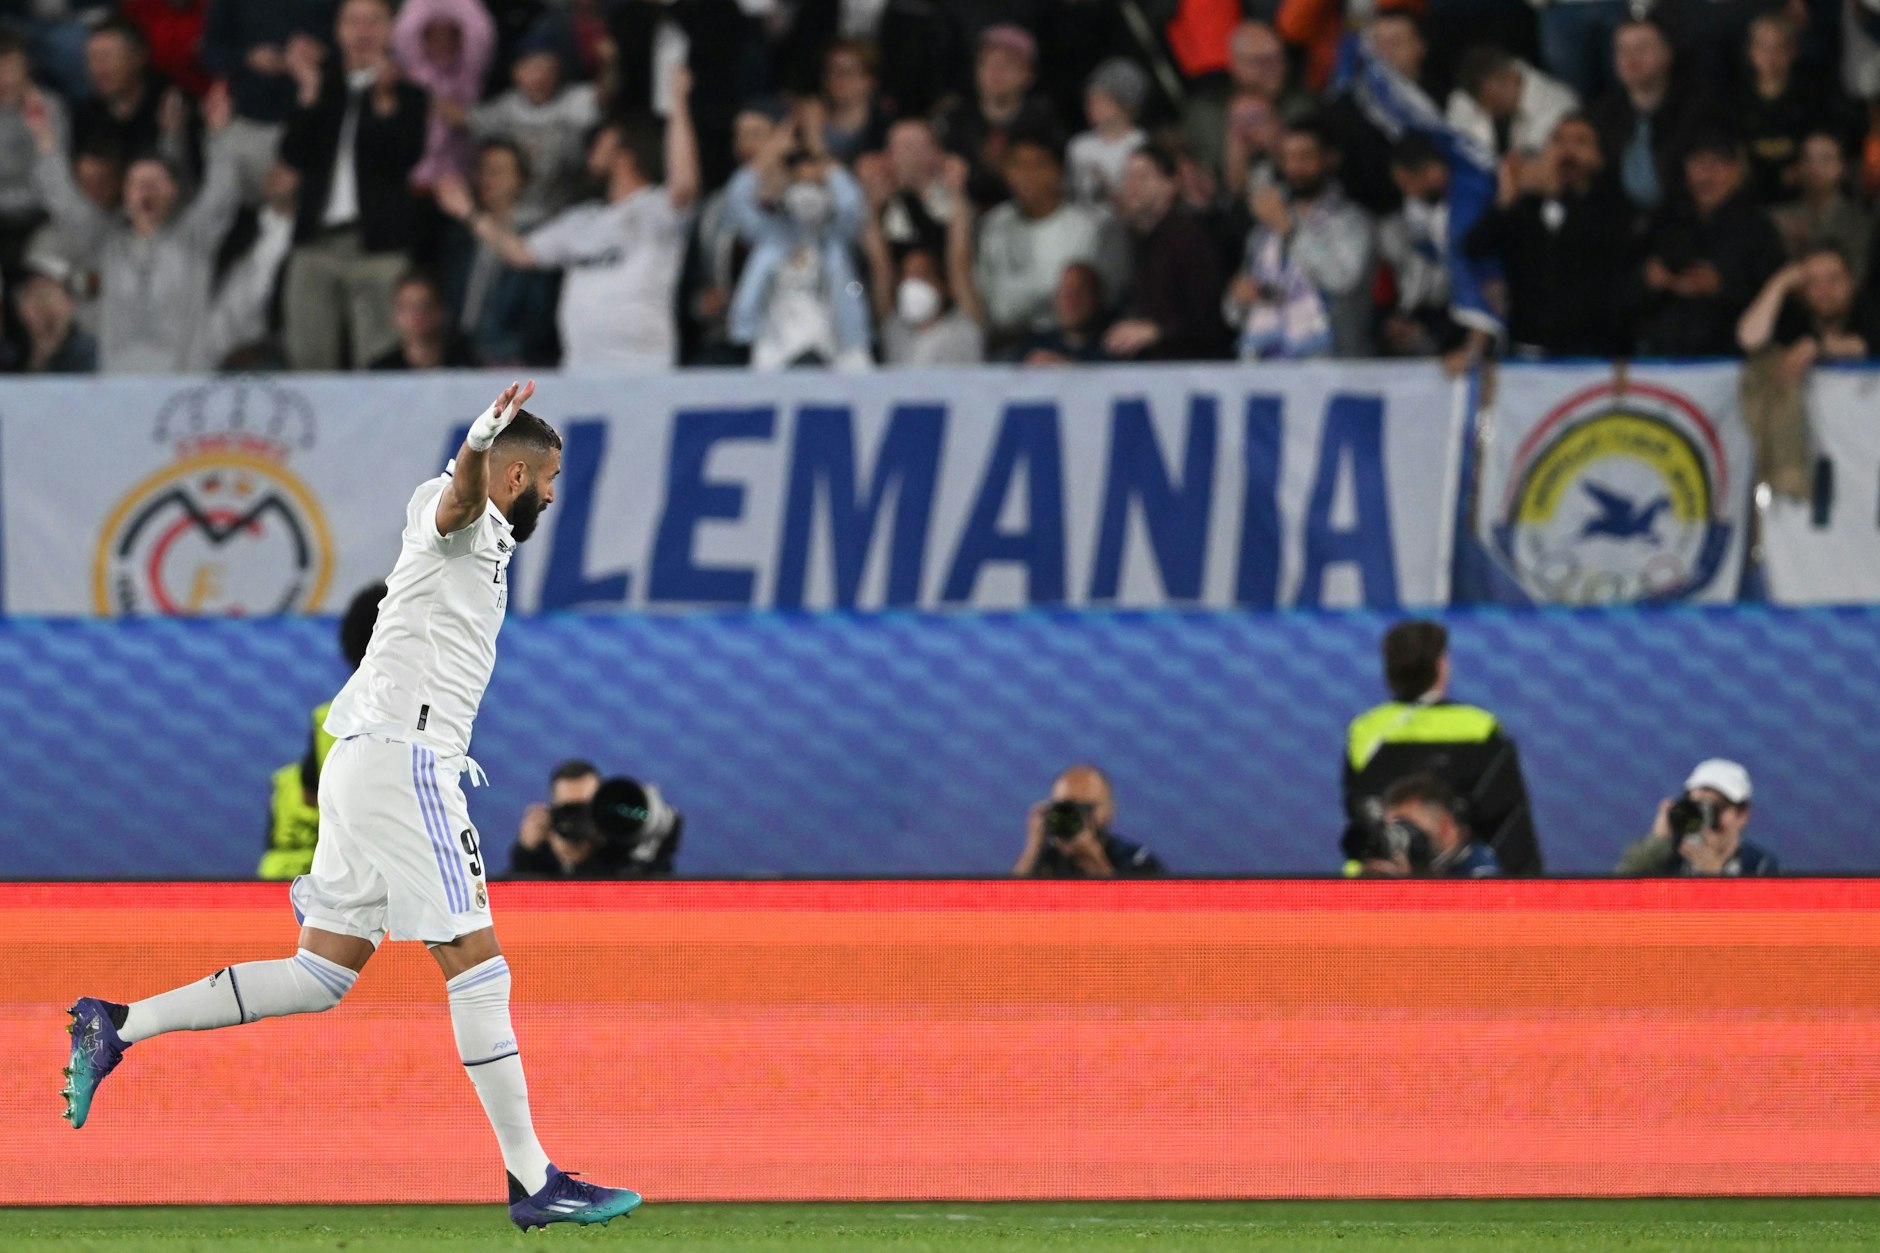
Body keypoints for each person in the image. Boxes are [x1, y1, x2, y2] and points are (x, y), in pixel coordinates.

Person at [62, 380, 646, 1231]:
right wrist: (478, 439)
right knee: (480, 968)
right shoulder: (451, 518)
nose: (555, 494)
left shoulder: (490, 547)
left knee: (319, 974)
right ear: (515, 475)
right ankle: (533, 1178)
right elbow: (454, 500)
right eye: (549, 477)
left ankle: (116, 1022)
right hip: (405, 763)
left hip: (368, 764)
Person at [438, 69, 698, 372]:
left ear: (623, 152)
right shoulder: (581, 220)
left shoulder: (655, 210)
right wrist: (469, 213)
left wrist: (678, 102)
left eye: (600, 140)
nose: (591, 150)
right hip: (580, 373)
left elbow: (684, 186)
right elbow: (521, 253)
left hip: (645, 369)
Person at [27, 82, 240, 373]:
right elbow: (64, 201)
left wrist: (219, 134)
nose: (146, 191)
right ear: (125, 195)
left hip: (184, 381)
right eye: (137, 184)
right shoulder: (107, 244)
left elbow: (222, 193)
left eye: (155, 183)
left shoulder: (195, 238)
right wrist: (44, 139)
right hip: (120, 386)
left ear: (175, 192)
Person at [277, 0, 429, 371]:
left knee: (378, 365)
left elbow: (403, 157)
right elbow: (295, 154)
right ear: (337, 30)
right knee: (308, 363)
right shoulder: (321, 87)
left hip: (379, 248)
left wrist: (383, 100)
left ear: (391, 29)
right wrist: (309, 91)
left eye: (373, 21)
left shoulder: (409, 95)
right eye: (353, 21)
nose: (362, 31)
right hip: (316, 243)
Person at [1342, 620, 1543, 876]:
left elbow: (1357, 811)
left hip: (1373, 885)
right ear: (1440, 666)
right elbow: (1508, 824)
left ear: (1390, 670)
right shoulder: (1479, 725)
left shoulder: (1365, 730)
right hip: (1463, 884)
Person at [1465, 112, 1631, 357]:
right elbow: (1473, 248)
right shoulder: (1523, 207)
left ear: (1600, 157)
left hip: (1589, 353)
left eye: (1580, 142)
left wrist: (1559, 195)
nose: (1567, 150)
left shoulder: (1613, 208)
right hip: (1526, 350)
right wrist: (1505, 201)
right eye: (1558, 140)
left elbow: (1593, 257)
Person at [724, 101, 872, 371]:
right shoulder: (769, 233)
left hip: (838, 347)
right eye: (799, 184)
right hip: (775, 349)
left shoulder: (837, 236)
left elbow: (853, 204)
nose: (807, 193)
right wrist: (776, 146)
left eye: (814, 185)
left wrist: (817, 145)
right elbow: (737, 197)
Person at [259, 581, 386, 882]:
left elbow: (307, 792)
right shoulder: (434, 721)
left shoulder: (328, 720)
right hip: (349, 880)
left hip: (313, 880)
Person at [1226, 116, 1375, 360]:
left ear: (1330, 158)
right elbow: (1233, 311)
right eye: (1287, 158)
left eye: (1305, 157)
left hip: (1333, 366)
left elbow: (1343, 281)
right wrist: (1237, 297)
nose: (1294, 168)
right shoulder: (1265, 229)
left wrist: (1290, 231)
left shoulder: (1352, 221)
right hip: (1269, 369)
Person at [1632, 131, 1786, 358]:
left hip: (1730, 358)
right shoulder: (1665, 222)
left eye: (1717, 164)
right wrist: (1648, 280)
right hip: (1662, 358)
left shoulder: (1758, 229)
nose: (1707, 175)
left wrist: (1721, 287)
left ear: (1736, 172)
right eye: (1698, 164)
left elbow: (1777, 296)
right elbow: (1624, 291)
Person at [972, 128, 1127, 350]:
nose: (1025, 175)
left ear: (1057, 171)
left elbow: (1084, 302)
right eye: (1016, 164)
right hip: (1006, 346)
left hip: (1070, 346)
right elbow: (991, 300)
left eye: (1037, 165)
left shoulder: (1085, 227)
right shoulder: (994, 224)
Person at [438, 139, 561, 367]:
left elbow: (540, 310)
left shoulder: (539, 235)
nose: (486, 179)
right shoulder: (460, 236)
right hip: (463, 359)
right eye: (481, 170)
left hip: (514, 361)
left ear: (521, 179)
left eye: (496, 171)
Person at [1105, 144, 1229, 361]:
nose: (1131, 186)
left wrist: (1156, 331)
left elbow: (1209, 318)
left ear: (1170, 185)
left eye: (1143, 177)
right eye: (1128, 177)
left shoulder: (1188, 240)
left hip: (1192, 371)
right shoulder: (1137, 241)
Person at [465, 30, 601, 222]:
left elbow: (604, 97)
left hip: (557, 217)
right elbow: (468, 121)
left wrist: (610, 65)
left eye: (550, 69)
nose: (541, 77)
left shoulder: (574, 101)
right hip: (509, 217)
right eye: (533, 68)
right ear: (516, 72)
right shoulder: (505, 107)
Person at [1590, 18, 1711, 216]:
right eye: (1623, 50)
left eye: (1642, 48)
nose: (1631, 58)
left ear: (1667, 53)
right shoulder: (1602, 113)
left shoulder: (1698, 110)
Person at [934, 23, 1059, 210]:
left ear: (1028, 75)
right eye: (986, 63)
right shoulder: (955, 119)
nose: (994, 73)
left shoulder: (1043, 124)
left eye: (1006, 65)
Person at [390, 0, 495, 191]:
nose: (442, 41)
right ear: (423, 38)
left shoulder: (468, 75)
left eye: (450, 35)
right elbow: (406, 30)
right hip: (412, 178)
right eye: (434, 35)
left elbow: (479, 30)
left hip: (457, 178)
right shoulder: (412, 75)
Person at [1614, 759, 1779, 876]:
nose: (1705, 818)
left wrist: (1713, 878)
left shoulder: (1760, 866)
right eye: (1696, 807)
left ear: (1742, 814)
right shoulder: (1667, 855)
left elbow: (1757, 924)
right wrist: (1659, 841)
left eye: (1716, 808)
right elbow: (1617, 899)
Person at [1013, 764, 1164, 879]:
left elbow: (1139, 916)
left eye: (1086, 808)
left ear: (1109, 809)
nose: (1077, 815)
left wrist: (1093, 859)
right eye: (1066, 807)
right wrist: (1033, 847)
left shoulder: (1136, 860)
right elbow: (1004, 908)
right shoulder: (1042, 860)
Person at [1445, 45, 1579, 167]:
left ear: (1510, 77)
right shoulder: (1465, 96)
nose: (1488, 112)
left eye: (1494, 102)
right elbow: (1457, 151)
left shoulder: (1560, 106)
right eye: (1481, 104)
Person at [1357, 773, 1503, 878]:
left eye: (1406, 826)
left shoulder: (1481, 870)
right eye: (1393, 829)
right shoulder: (1423, 864)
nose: (1399, 838)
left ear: (1446, 827)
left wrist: (1407, 884)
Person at [1770, 132, 1869, 281]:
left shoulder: (1861, 222)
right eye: (1808, 159)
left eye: (1826, 159)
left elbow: (1859, 276)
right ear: (1798, 166)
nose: (1815, 167)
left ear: (1842, 167)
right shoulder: (1778, 218)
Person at [1066, 57, 1148, 206]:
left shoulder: (1141, 144)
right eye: (1089, 99)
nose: (1091, 105)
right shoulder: (1079, 146)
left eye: (1100, 99)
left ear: (1124, 104)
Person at [2, 256, 98, 373]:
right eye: (26, 293)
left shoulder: (84, 351)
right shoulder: (10, 350)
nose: (33, 304)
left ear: (68, 301)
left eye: (44, 294)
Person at [369, 269, 479, 370]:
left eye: (425, 306)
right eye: (408, 307)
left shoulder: (469, 366)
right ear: (395, 313)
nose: (416, 315)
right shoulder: (380, 372)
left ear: (441, 311)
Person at [1009, 261, 1110, 364]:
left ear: (1097, 297)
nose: (1070, 300)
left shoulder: (1114, 348)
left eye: (1079, 291)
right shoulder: (1033, 346)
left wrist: (1072, 368)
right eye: (1064, 291)